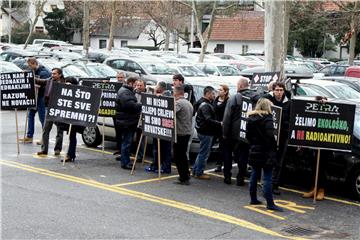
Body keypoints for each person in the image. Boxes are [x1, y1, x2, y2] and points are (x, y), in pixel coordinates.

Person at [246, 98, 283, 212]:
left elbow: (247, 135)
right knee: (267, 178)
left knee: (254, 174)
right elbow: (270, 136)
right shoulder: (268, 119)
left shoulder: (251, 118)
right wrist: (274, 147)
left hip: (254, 149)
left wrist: (253, 144)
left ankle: (253, 198)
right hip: (266, 151)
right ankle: (270, 203)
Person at [222, 77, 260, 185]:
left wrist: (225, 133)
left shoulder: (235, 98)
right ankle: (240, 178)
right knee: (243, 156)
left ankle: (227, 177)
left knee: (228, 155)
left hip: (232, 133)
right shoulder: (256, 99)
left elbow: (227, 117)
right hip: (248, 133)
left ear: (240, 86)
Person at [264, 82, 292, 195]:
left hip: (282, 136)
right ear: (273, 90)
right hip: (269, 136)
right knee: (268, 160)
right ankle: (265, 183)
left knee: (278, 162)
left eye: (281, 90)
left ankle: (274, 185)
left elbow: (290, 119)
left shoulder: (288, 103)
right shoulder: (267, 99)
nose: (279, 92)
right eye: (277, 90)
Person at [302, 96, 329, 201]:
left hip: (325, 146)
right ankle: (314, 189)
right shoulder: (312, 112)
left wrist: (326, 103)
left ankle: (321, 190)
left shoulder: (328, 112)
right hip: (313, 144)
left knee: (321, 169)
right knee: (313, 168)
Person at [192, 86, 222, 179]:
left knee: (202, 152)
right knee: (204, 153)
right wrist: (219, 124)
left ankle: (195, 170)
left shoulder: (202, 103)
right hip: (206, 132)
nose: (214, 95)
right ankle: (199, 172)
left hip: (202, 131)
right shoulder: (205, 105)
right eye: (213, 94)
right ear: (208, 94)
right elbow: (208, 119)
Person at [145, 81, 172, 174]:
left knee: (162, 149)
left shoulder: (166, 97)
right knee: (161, 149)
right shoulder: (164, 95)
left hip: (163, 128)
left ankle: (163, 167)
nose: (155, 88)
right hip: (159, 127)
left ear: (160, 88)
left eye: (156, 87)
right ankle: (157, 165)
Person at [115, 77, 142, 169]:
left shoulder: (126, 90)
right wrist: (141, 105)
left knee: (126, 142)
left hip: (127, 120)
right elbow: (130, 105)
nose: (136, 86)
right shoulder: (125, 92)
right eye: (135, 84)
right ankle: (125, 162)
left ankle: (125, 160)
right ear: (131, 83)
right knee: (127, 142)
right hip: (127, 121)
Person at [37, 68, 65, 156]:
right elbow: (39, 81)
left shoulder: (64, 83)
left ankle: (57, 149)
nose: (52, 75)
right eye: (52, 73)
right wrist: (28, 76)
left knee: (60, 131)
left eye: (54, 74)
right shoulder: (49, 80)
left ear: (60, 75)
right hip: (49, 108)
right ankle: (44, 149)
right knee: (45, 130)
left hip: (59, 109)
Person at [22, 57, 51, 143]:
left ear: (35, 64)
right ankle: (29, 136)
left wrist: (33, 84)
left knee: (42, 118)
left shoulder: (44, 72)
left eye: (30, 65)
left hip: (41, 97)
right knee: (30, 115)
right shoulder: (33, 71)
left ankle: (44, 138)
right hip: (34, 97)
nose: (29, 67)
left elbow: (45, 85)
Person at [57, 77, 84, 162]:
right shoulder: (65, 90)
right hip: (69, 118)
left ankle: (70, 155)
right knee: (71, 137)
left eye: (68, 83)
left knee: (72, 136)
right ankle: (71, 154)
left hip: (75, 118)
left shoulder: (78, 91)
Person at [173, 85, 194, 185]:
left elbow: (170, 112)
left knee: (178, 156)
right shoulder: (188, 103)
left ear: (176, 93)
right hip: (187, 132)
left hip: (180, 133)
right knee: (183, 155)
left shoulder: (179, 103)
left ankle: (183, 177)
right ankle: (186, 174)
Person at [213, 84, 229, 172]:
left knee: (222, 146)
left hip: (223, 126)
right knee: (210, 144)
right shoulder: (215, 99)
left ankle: (219, 164)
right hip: (214, 124)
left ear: (225, 92)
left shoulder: (228, 101)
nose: (219, 91)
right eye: (218, 89)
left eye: (221, 90)